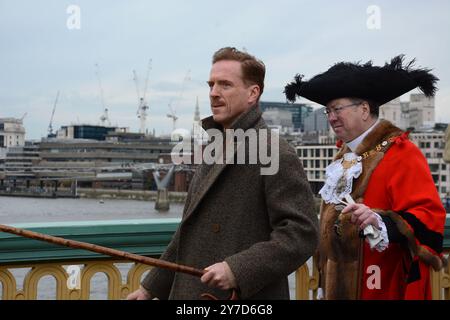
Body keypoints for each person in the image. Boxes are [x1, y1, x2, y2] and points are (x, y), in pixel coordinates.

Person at [127, 47, 319, 300]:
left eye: (225, 85)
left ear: (253, 93)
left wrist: (237, 269)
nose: (214, 93)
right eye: (211, 85)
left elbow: (302, 233)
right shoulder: (214, 148)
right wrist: (150, 288)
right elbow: (190, 233)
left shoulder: (275, 151)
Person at [284, 55, 446, 299]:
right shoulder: (341, 160)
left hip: (384, 286)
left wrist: (381, 222)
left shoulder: (402, 152)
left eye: (337, 109)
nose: (331, 117)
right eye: (327, 111)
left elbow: (429, 218)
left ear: (364, 109)